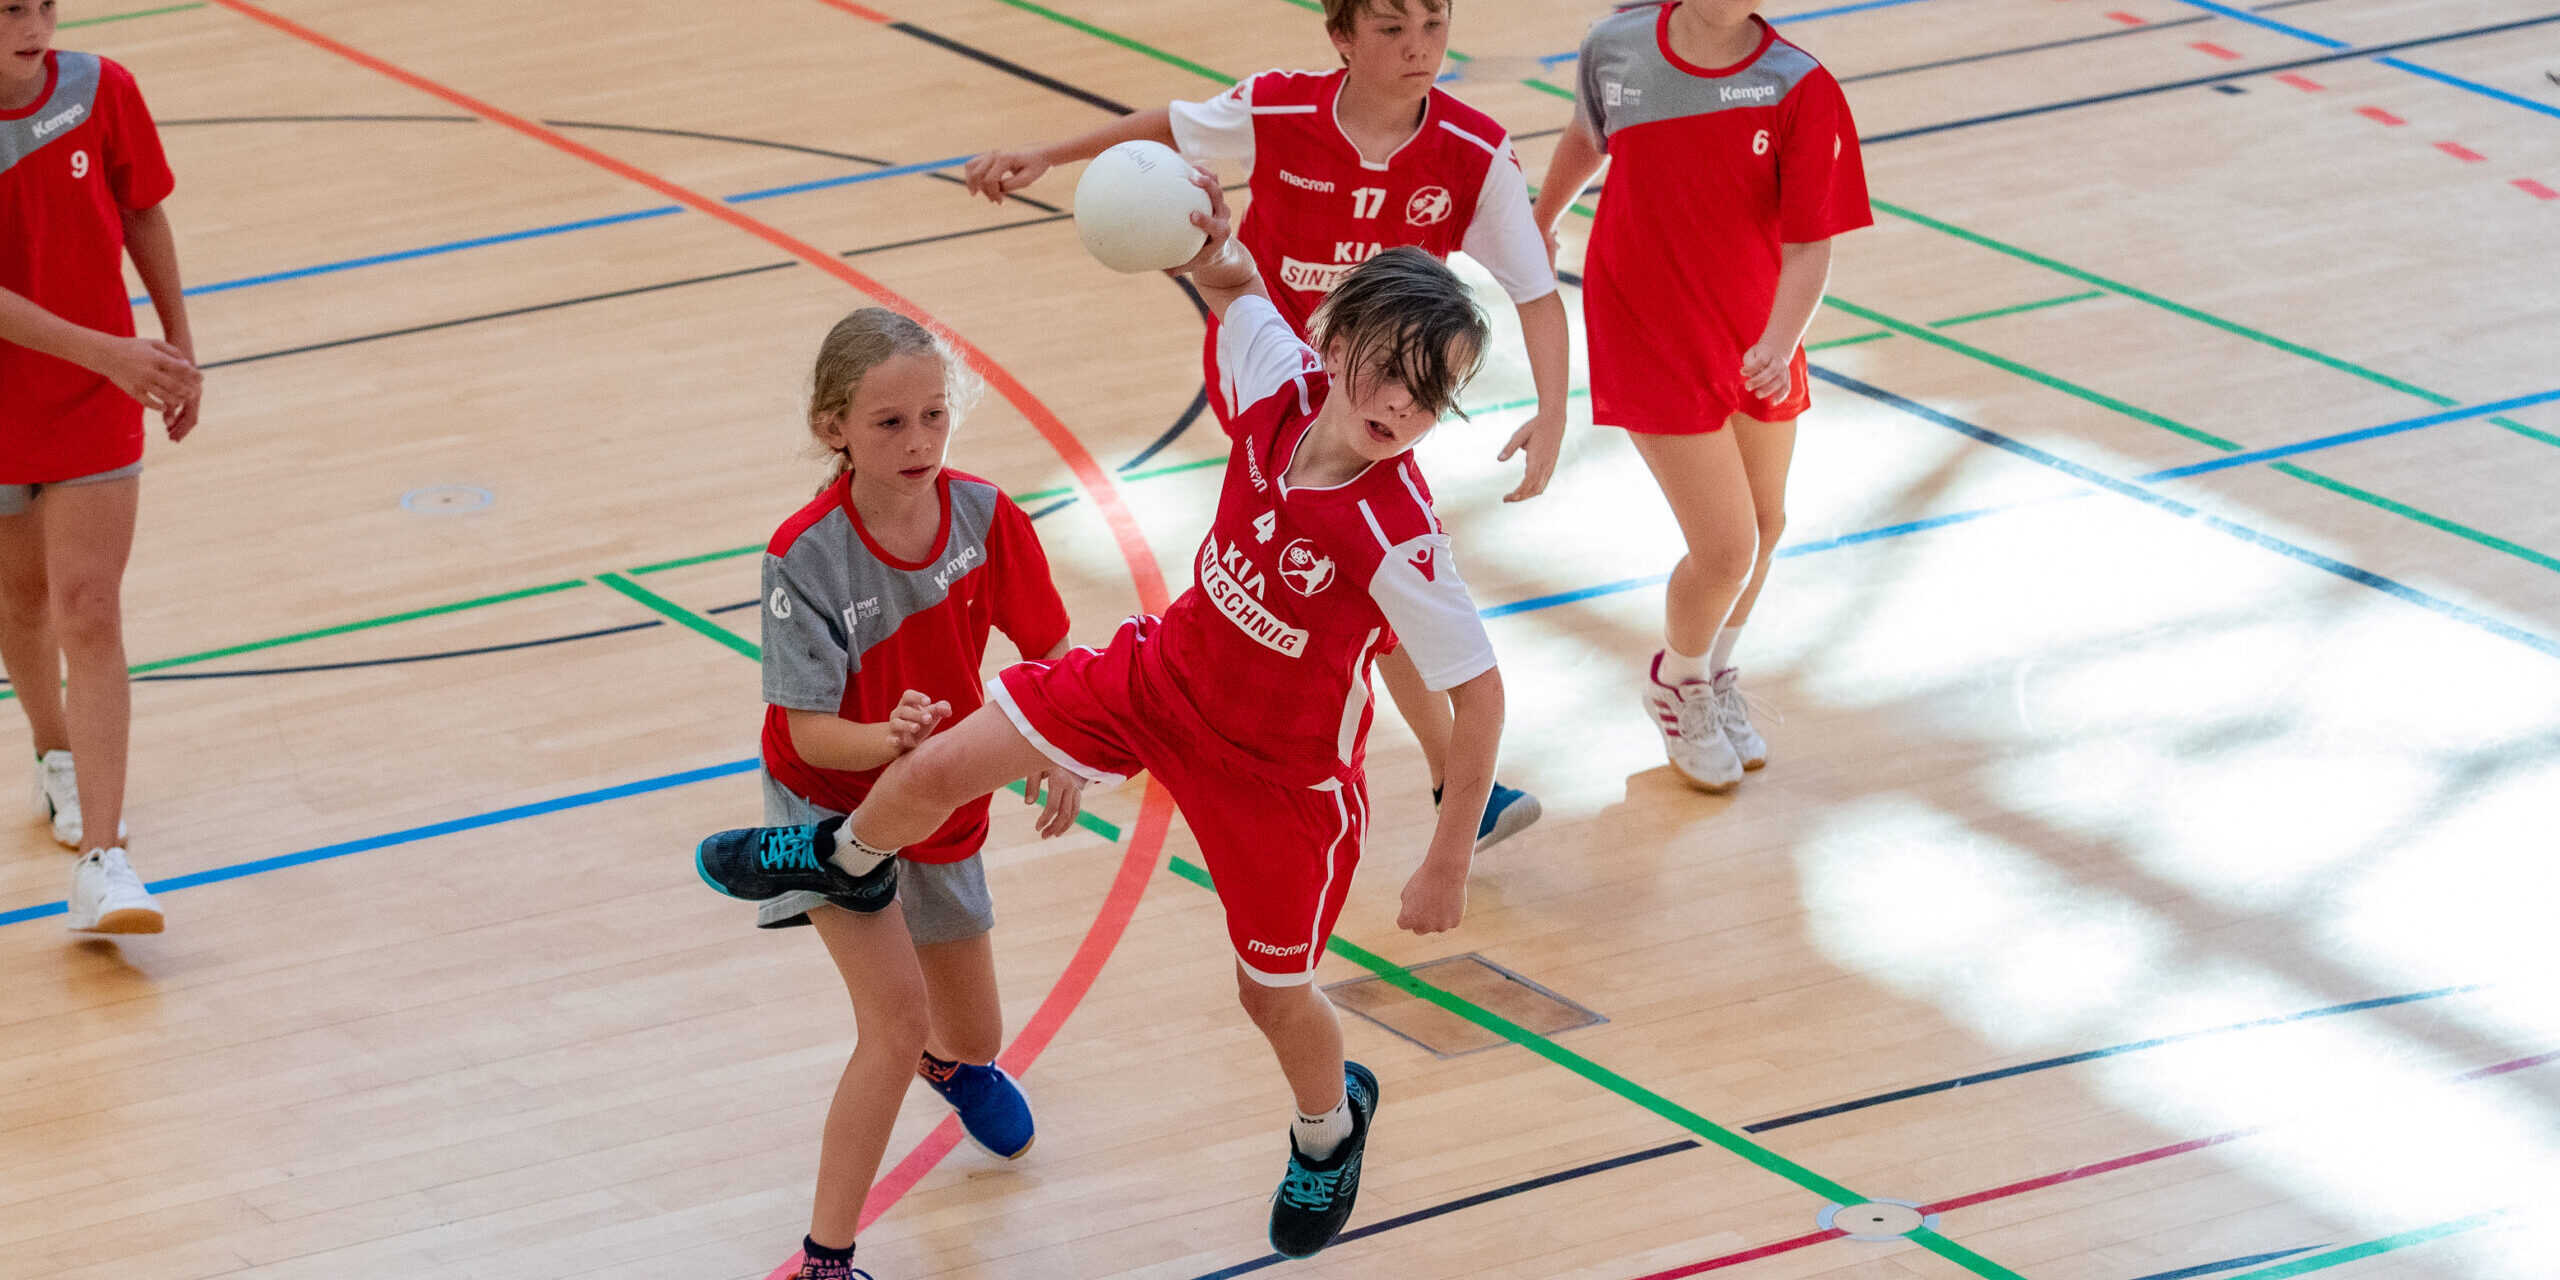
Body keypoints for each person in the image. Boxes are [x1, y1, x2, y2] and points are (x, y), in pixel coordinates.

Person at [697, 179, 1504, 1261]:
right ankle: (841, 853)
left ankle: (1327, 1127)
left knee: (1270, 997)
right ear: (1337, 334)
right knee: (942, 765)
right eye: (1387, 367)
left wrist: (1447, 853)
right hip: (1159, 681)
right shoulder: (1280, 386)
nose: (1400, 403)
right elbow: (1235, 290)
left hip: (1277, 778)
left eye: (1428, 394)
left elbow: (1481, 688)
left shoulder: (1395, 530)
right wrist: (1204, 236)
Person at [963, 0, 1556, 852]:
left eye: (1433, 24)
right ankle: (1182, 714)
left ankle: (1432, 774)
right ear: (1342, 38)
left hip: (1381, 406)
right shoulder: (1280, 110)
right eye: (1391, 29)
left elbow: (1535, 290)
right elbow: (1170, 125)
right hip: (1270, 374)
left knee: (1354, 583)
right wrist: (1047, 156)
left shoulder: (1470, 150)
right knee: (1354, 574)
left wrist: (1554, 409)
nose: (1418, 47)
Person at [730, 308, 1081, 1280]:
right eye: (889, 423)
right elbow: (805, 731)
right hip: (830, 802)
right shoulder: (803, 553)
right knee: (888, 1024)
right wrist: (884, 739)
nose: (918, 440)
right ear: (833, 426)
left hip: (940, 795)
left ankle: (949, 1062)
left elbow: (1052, 652)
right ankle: (825, 1259)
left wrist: (1061, 748)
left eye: (934, 414)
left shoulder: (984, 514)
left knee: (969, 1035)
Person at [1533, 0, 1870, 792]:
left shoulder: (1798, 85)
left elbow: (1809, 245)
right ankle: (1676, 681)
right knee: (1726, 547)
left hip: (1757, 336)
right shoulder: (1616, 47)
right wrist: (1540, 220)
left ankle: (1714, 675)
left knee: (1767, 521)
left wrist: (1780, 344)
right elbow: (1588, 137)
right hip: (1645, 322)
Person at [0, 0, 203, 933]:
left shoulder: (102, 90)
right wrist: (113, 354)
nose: (33, 25)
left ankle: (107, 859)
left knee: (90, 606)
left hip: (93, 395)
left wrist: (174, 348)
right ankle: (55, 756)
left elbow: (142, 212)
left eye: (43, 3)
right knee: (25, 599)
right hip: (16, 396)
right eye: (9, 10)